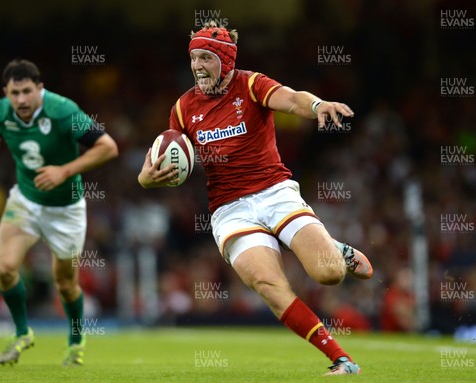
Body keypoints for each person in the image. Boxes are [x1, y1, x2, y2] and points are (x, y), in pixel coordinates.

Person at [138, 22, 373, 375]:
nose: (197, 65)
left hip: (274, 193)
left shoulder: (251, 84)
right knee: (269, 286)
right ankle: (341, 359)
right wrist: (147, 178)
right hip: (229, 210)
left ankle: (334, 249)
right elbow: (152, 164)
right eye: (193, 58)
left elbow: (293, 99)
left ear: (226, 60)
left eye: (206, 57)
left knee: (329, 274)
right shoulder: (184, 108)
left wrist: (319, 104)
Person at [0, 59, 118, 366]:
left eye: (27, 91)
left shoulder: (63, 111)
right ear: (6, 93)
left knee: (65, 284)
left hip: (65, 209)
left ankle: (76, 340)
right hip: (25, 202)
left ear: (40, 89)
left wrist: (64, 171)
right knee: (3, 268)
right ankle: (22, 332)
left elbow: (108, 147)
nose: (21, 100)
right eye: (15, 93)